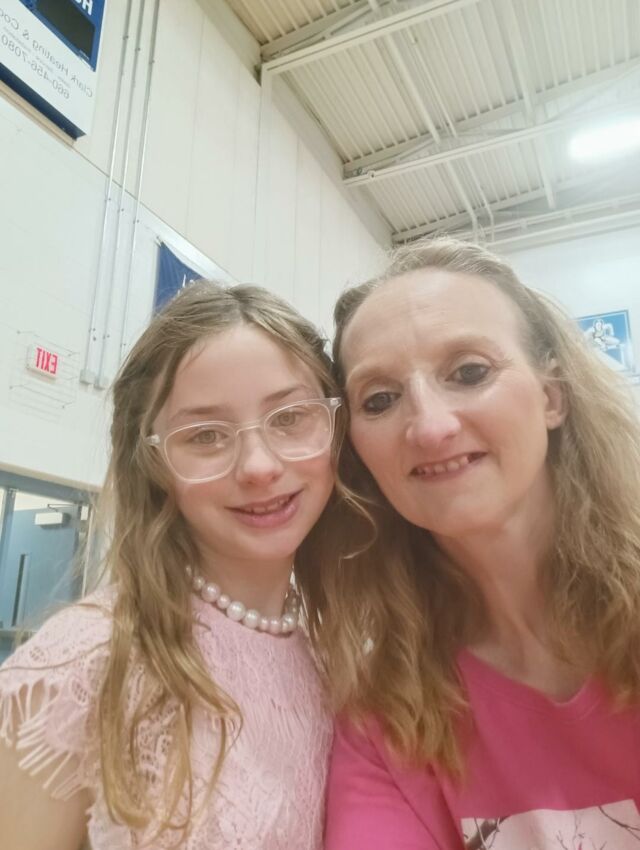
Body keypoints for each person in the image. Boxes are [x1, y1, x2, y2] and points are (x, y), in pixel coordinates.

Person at [310, 237, 640, 849]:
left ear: (552, 396)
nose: (430, 426)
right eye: (380, 400)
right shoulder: (388, 709)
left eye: (469, 373)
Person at [0, 280, 342, 849]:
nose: (259, 466)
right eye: (205, 435)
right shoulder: (81, 666)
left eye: (288, 417)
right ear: (153, 464)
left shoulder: (335, 653)